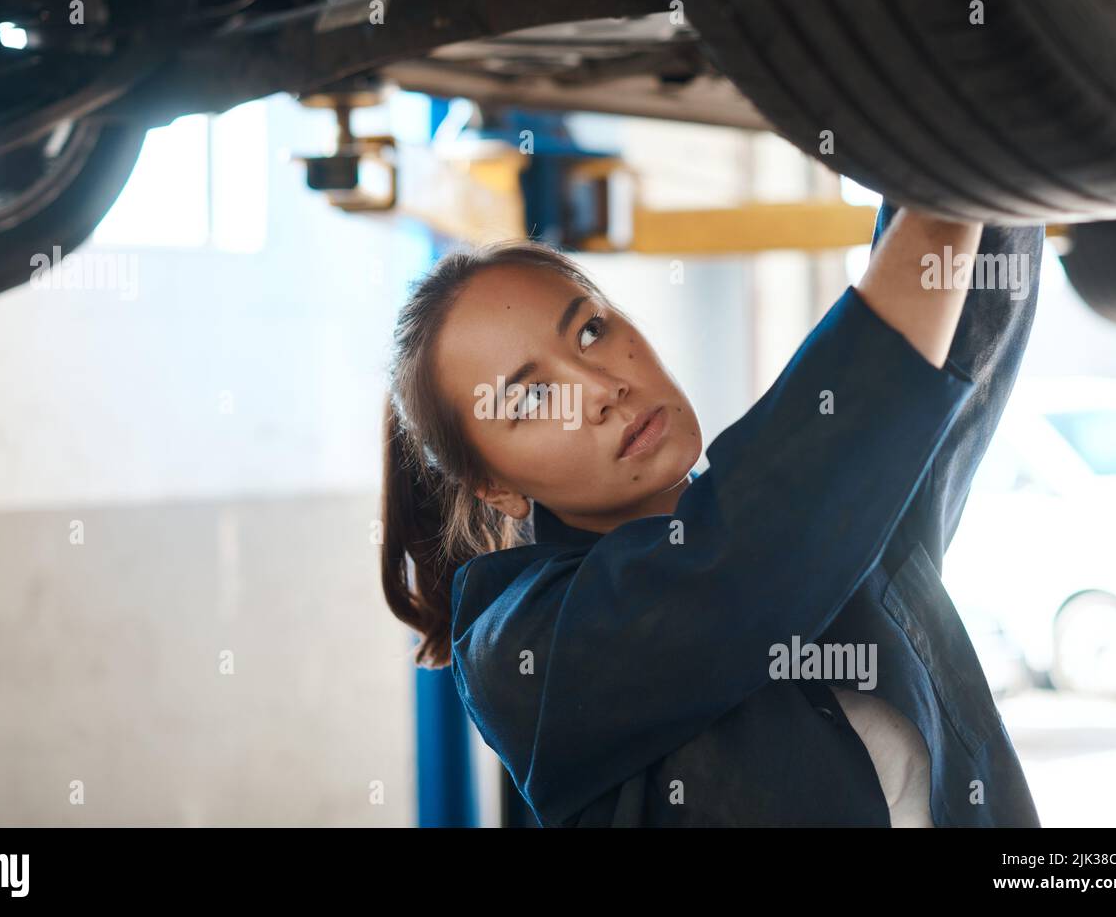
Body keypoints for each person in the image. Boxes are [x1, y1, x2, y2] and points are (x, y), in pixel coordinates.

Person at [380, 198, 1043, 827]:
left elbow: (955, 349)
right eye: (530, 401)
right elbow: (742, 557)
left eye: (590, 330)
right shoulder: (525, 652)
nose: (601, 388)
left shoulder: (827, 515)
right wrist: (948, 184)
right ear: (495, 487)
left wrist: (981, 141)